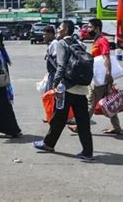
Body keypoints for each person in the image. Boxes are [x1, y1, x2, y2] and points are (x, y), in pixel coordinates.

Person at [33, 20, 94, 161]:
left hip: (67, 87)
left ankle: (48, 144)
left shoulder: (61, 44)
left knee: (59, 117)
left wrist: (55, 83)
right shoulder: (79, 43)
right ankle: (88, 151)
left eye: (60, 28)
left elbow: (61, 65)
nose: (57, 31)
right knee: (82, 121)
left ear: (66, 30)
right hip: (81, 88)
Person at [68, 18, 121, 134]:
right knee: (109, 101)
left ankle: (80, 127)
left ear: (97, 28)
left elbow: (106, 57)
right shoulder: (97, 40)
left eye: (90, 27)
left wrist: (108, 73)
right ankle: (116, 127)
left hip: (100, 79)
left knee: (90, 103)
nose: (88, 30)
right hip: (99, 77)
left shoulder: (102, 40)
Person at [43, 25, 58, 91]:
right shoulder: (52, 43)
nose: (43, 37)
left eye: (45, 34)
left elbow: (57, 58)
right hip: (52, 74)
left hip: (54, 75)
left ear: (51, 34)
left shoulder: (54, 43)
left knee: (51, 96)